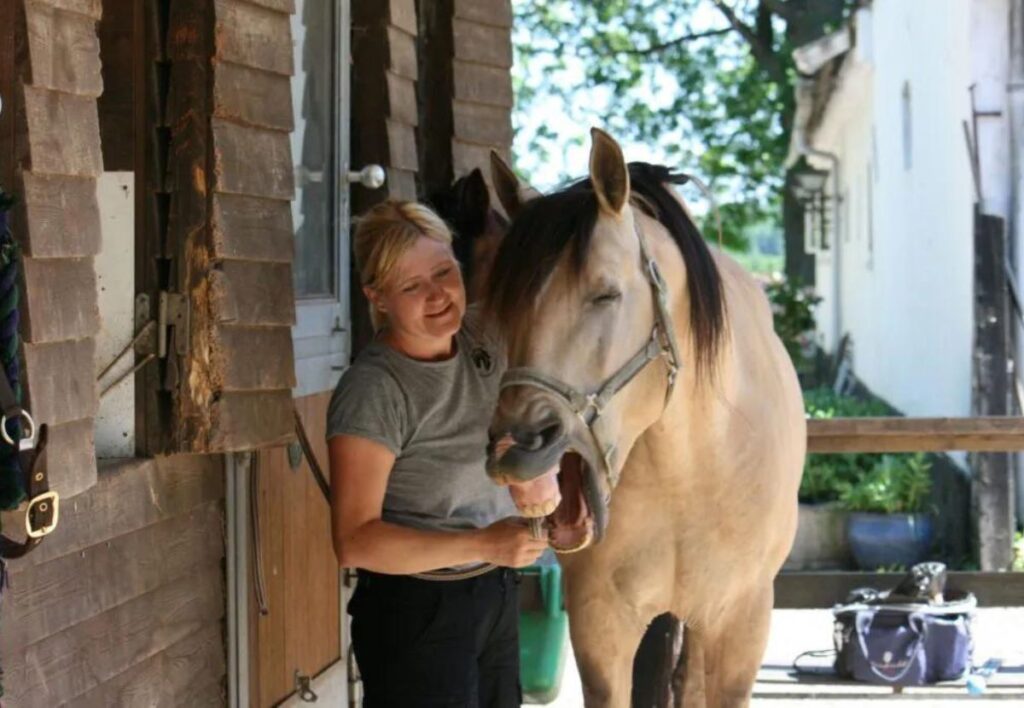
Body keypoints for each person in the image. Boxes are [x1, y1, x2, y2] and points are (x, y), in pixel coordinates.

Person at [327, 200, 547, 707]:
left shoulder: (486, 335)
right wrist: (484, 544)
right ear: (377, 297)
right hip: (417, 611)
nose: (438, 294)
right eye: (411, 286)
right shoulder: (375, 390)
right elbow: (355, 542)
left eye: (444, 272)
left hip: (496, 591)